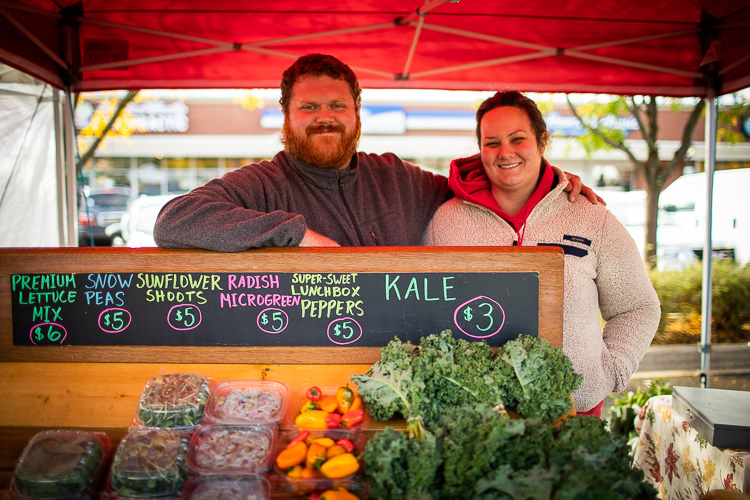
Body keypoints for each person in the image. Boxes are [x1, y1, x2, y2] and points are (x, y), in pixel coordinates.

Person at [154, 54, 599, 251]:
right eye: (309, 106)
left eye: (336, 105)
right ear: (286, 115)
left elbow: (480, 187)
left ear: (357, 112)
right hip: (312, 382)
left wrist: (544, 177)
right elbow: (173, 221)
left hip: (403, 379)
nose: (324, 117)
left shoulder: (397, 177)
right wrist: (297, 234)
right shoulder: (262, 185)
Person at [422, 90, 660, 418]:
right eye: (492, 142)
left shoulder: (592, 217)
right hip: (475, 419)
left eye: (518, 139)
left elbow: (637, 307)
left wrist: (608, 372)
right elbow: (425, 309)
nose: (505, 152)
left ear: (542, 141)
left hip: (575, 413)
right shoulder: (446, 221)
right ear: (480, 150)